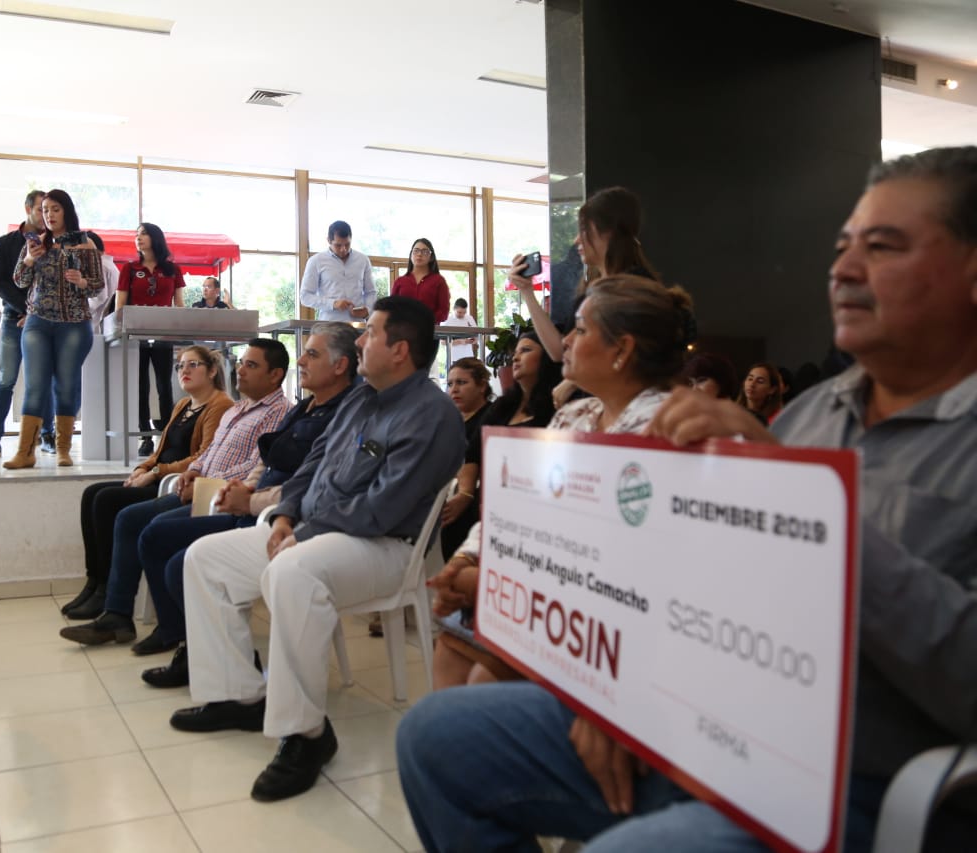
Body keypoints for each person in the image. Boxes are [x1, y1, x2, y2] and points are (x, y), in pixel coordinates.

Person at [396, 147, 977, 853]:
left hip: (849, 782)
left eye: (882, 247)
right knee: (434, 739)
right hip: (704, 723)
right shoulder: (813, 414)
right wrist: (621, 698)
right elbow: (695, 588)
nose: (843, 270)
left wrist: (817, 518)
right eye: (841, 248)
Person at [171, 296, 466, 803]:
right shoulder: (360, 398)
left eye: (370, 332)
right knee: (207, 559)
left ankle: (306, 734)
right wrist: (286, 513)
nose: (360, 340)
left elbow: (383, 509)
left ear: (399, 350)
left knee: (293, 571)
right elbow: (314, 464)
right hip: (318, 530)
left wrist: (303, 532)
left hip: (384, 548)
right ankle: (238, 695)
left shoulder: (431, 415)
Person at [433, 277, 693, 688]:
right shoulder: (575, 415)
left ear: (622, 349)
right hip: (545, 593)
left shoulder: (670, 425)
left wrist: (493, 580)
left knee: (481, 679)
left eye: (581, 330)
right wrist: (465, 561)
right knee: (450, 650)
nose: (566, 341)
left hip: (613, 621)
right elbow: (521, 505)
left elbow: (617, 553)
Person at [122, 323, 359, 687]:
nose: (301, 360)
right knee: (153, 535)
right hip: (248, 503)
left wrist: (250, 499)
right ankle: (187, 643)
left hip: (275, 517)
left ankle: (226, 663)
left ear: (340, 365)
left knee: (177, 560)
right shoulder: (305, 408)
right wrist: (242, 488)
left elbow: (311, 484)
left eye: (311, 354)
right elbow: (267, 460)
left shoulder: (341, 415)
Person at [59, 338, 292, 645]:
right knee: (118, 510)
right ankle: (115, 608)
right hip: (195, 486)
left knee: (138, 521)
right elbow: (209, 452)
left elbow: (254, 467)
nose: (240, 370)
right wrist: (192, 471)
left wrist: (197, 480)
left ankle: (147, 619)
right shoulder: (237, 409)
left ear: (275, 375)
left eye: (251, 365)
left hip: (221, 496)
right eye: (241, 363)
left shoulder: (277, 413)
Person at [61, 345, 233, 620]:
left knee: (106, 500)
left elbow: (203, 457)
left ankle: (106, 591)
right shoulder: (183, 405)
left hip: (174, 483)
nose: (184, 371)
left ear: (212, 371)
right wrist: (141, 469)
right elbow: (161, 448)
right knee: (91, 493)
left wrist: (155, 473)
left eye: (193, 365)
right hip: (159, 476)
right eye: (180, 366)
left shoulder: (221, 405)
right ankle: (94, 581)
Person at [4, 189, 103, 469]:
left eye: (55, 209)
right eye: (45, 210)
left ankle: (63, 449)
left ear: (67, 211)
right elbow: (19, 281)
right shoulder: (35, 243)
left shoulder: (85, 244)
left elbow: (97, 285)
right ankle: (25, 452)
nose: (49, 215)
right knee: (35, 386)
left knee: (66, 386)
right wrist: (29, 260)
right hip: (37, 321)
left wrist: (81, 282)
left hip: (74, 324)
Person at [508, 186, 661, 364]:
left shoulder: (633, 291)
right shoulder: (594, 288)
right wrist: (526, 291)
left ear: (609, 231)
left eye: (584, 230)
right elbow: (560, 352)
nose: (577, 240)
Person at [439, 334, 557, 561]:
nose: (515, 358)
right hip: (492, 501)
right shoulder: (504, 406)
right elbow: (473, 453)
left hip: (532, 506)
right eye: (516, 352)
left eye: (526, 351)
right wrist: (465, 493)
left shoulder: (555, 409)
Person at [0, 190, 55, 460]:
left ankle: (48, 435)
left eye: (49, 209)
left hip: (44, 320)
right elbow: (0, 282)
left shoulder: (55, 243)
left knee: (43, 380)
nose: (45, 215)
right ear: (27, 209)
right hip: (14, 318)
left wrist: (35, 313)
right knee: (5, 379)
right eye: (41, 209)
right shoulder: (5, 244)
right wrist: (27, 309)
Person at [116, 222, 186, 457]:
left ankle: (167, 435)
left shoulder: (172, 269)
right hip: (135, 335)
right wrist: (120, 330)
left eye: (144, 234)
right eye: (137, 234)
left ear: (155, 238)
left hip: (164, 334)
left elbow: (179, 304)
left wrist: (181, 334)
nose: (139, 238)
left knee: (164, 385)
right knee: (141, 386)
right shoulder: (129, 268)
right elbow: (120, 305)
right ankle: (145, 436)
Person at [299, 220, 376, 322]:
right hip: (329, 324)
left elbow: (371, 292)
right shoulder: (316, 261)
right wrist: (333, 304)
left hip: (358, 325)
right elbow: (305, 296)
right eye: (338, 245)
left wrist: (368, 310)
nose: (343, 249)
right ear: (328, 240)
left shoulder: (363, 260)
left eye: (347, 244)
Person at [392, 237, 450, 322]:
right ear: (411, 255)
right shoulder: (400, 281)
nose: (419, 254)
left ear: (431, 257)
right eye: (416, 251)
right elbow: (391, 309)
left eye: (425, 251)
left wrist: (425, 319)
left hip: (428, 328)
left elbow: (443, 312)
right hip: (403, 328)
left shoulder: (439, 281)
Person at [441, 297, 479, 363]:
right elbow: (443, 342)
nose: (462, 315)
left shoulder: (469, 318)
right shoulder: (447, 320)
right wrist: (460, 341)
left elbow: (476, 336)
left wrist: (473, 340)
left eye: (464, 312)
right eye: (459, 312)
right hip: (453, 357)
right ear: (454, 309)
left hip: (468, 356)